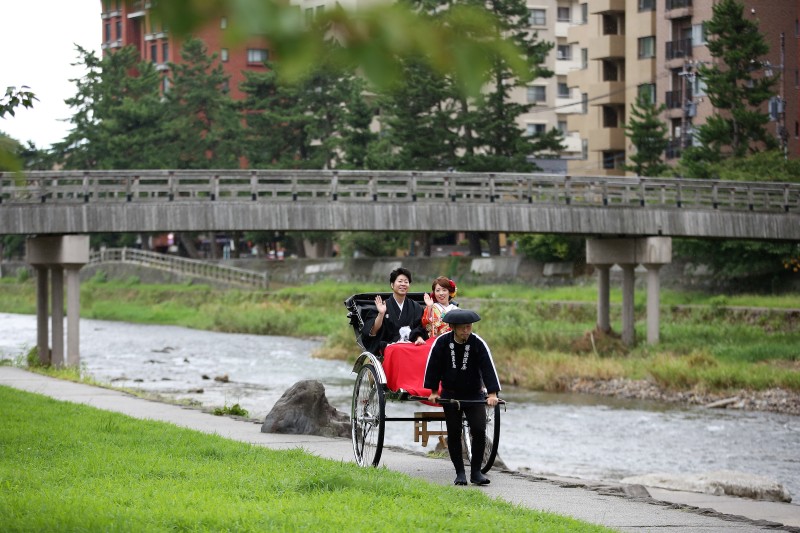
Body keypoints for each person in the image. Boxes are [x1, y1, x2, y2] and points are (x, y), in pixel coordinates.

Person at [423, 308, 500, 486]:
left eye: (469, 327)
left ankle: (476, 472)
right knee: (454, 431)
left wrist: (492, 394)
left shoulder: (478, 343)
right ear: (452, 327)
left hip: (474, 394)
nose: (466, 330)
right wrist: (434, 392)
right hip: (450, 394)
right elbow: (433, 367)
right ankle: (460, 473)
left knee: (479, 430)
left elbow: (488, 368)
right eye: (462, 328)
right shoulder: (442, 343)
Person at [367, 267, 428, 354]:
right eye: (400, 281)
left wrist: (419, 338)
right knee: (397, 351)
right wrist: (381, 313)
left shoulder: (416, 307)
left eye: (406, 282)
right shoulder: (382, 306)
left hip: (411, 346)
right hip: (389, 347)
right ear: (392, 285)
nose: (403, 284)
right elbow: (373, 331)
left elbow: (420, 328)